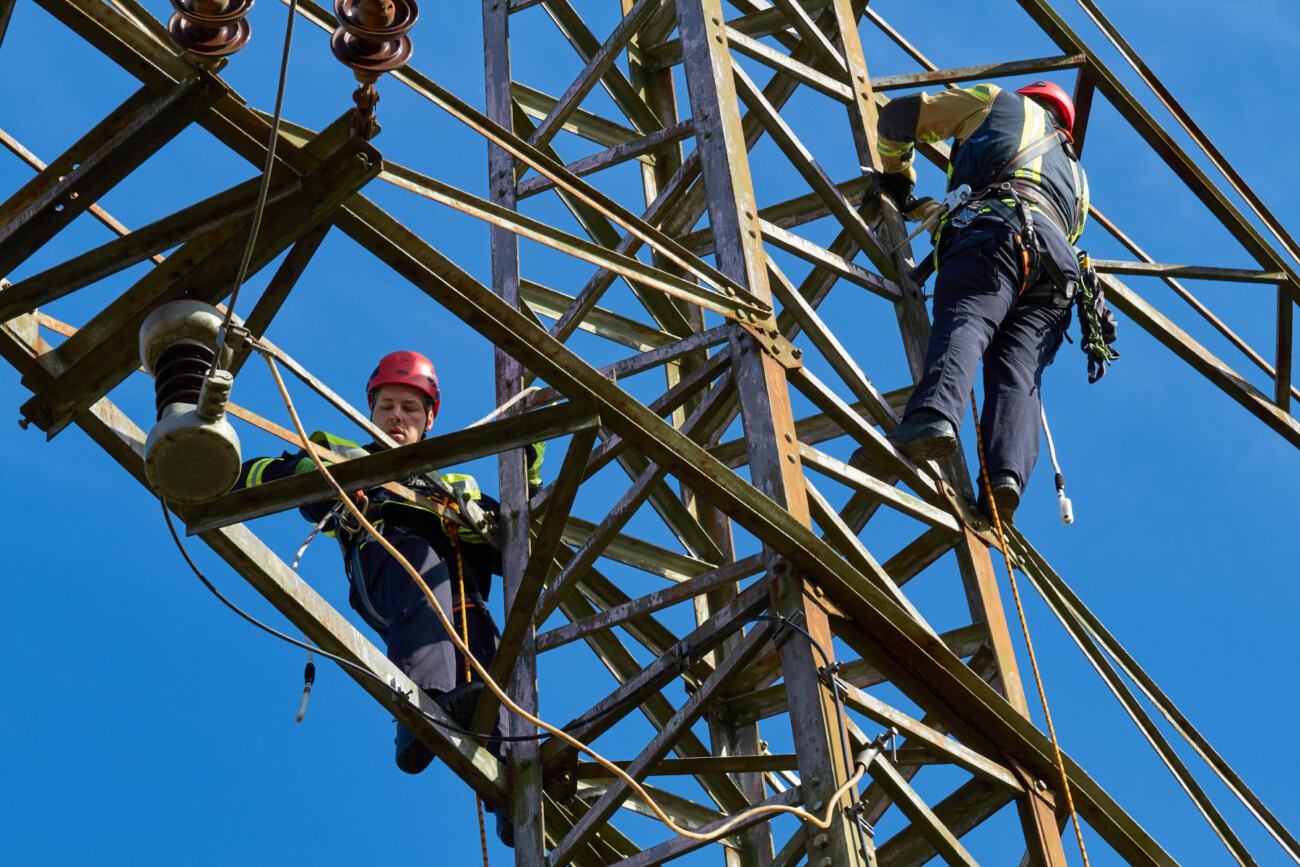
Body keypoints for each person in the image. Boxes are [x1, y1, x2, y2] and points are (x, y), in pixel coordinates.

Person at [239, 350, 540, 845]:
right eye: (387, 407)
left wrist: (528, 455)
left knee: (487, 640)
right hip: (387, 565)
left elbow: (519, 530)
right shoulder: (346, 456)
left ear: (428, 419)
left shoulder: (454, 486)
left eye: (410, 409)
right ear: (370, 411)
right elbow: (270, 475)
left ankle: (512, 783)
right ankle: (422, 709)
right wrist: (213, 473)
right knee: (421, 567)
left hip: (457, 592)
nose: (397, 416)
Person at [862, 80, 1116, 524]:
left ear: (1030, 97)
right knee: (1020, 373)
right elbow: (1063, 232)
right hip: (1058, 272)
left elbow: (896, 119)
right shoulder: (1080, 179)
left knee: (969, 318)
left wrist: (898, 181)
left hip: (997, 233)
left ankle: (934, 416)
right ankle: (1004, 479)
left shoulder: (996, 102)